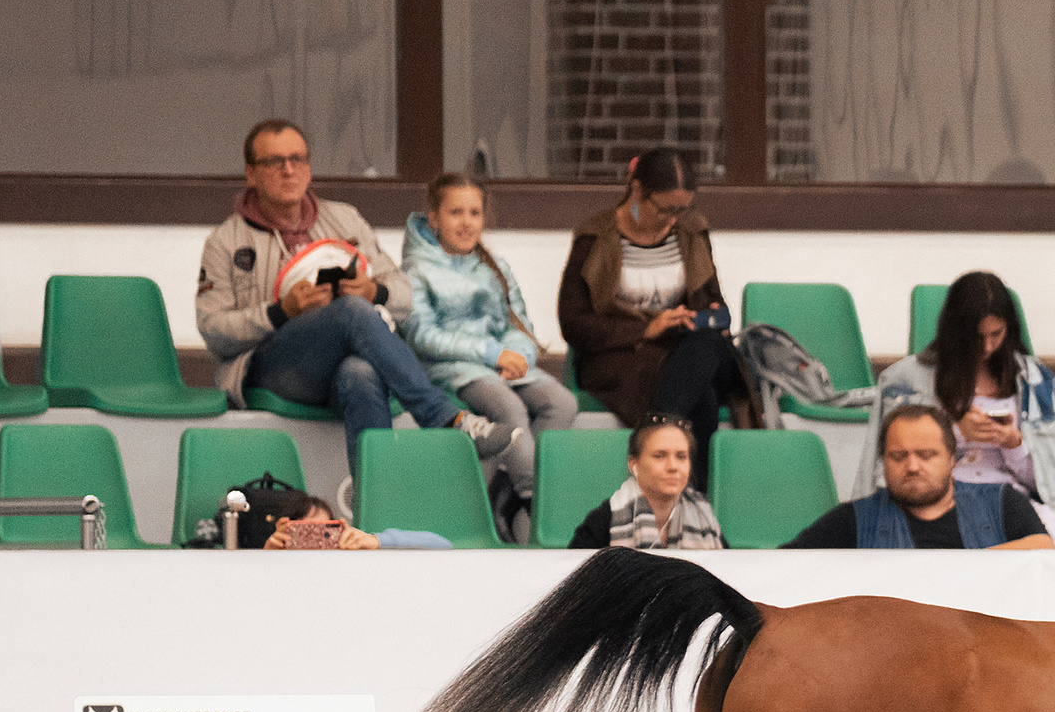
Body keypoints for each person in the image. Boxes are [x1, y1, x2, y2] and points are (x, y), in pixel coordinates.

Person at [196, 120, 513, 477]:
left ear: (310, 167)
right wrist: (280, 312)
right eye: (274, 161)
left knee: (361, 372)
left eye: (298, 159)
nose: (289, 170)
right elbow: (213, 329)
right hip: (272, 366)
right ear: (250, 173)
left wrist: (373, 290)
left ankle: (375, 512)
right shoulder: (225, 241)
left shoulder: (344, 218)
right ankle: (443, 416)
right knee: (350, 310)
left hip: (339, 362)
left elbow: (405, 294)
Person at [401, 172, 582, 542]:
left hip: (503, 363)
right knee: (509, 408)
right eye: (455, 213)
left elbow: (520, 323)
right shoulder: (417, 269)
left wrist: (519, 353)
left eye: (474, 213)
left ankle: (507, 491)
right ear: (434, 218)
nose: (466, 222)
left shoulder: (495, 266)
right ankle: (537, 501)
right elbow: (422, 335)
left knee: (561, 402)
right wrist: (491, 352)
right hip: (452, 367)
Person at [558, 147, 745, 475]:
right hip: (621, 354)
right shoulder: (595, 238)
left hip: (686, 347)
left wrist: (709, 314)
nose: (674, 218)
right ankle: (691, 507)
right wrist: (645, 329)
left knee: (708, 345)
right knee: (703, 398)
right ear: (637, 191)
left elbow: (710, 296)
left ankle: (657, 431)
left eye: (683, 209)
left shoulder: (691, 231)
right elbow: (574, 324)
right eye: (665, 209)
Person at [870, 272, 1055, 548]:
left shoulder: (1038, 382)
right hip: (942, 498)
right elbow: (893, 466)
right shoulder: (907, 381)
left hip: (1009, 500)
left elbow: (1048, 485)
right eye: (976, 337)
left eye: (996, 334)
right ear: (955, 331)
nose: (987, 347)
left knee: (1053, 548)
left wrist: (1013, 443)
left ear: (1009, 329)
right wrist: (957, 433)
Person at [785, 404, 1053, 549]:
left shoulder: (1001, 502)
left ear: (951, 460)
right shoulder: (853, 520)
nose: (912, 467)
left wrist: (964, 569)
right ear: (883, 462)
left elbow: (1042, 548)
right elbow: (779, 565)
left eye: (926, 455)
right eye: (899, 457)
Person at [570, 418, 726, 550]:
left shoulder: (704, 514)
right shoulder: (605, 519)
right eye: (659, 456)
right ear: (634, 464)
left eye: (681, 457)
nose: (673, 466)